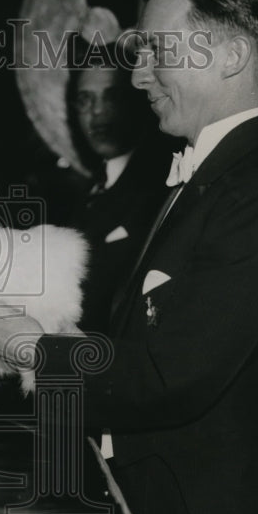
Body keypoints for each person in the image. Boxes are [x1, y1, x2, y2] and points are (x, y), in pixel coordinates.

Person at [0, 0, 258, 514]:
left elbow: (171, 376)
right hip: (168, 511)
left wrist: (35, 348)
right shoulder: (207, 178)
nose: (138, 73)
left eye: (156, 51)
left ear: (228, 56)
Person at [66, 43, 174, 334]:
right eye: (85, 100)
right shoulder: (88, 190)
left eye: (111, 97)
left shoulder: (161, 188)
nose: (97, 113)